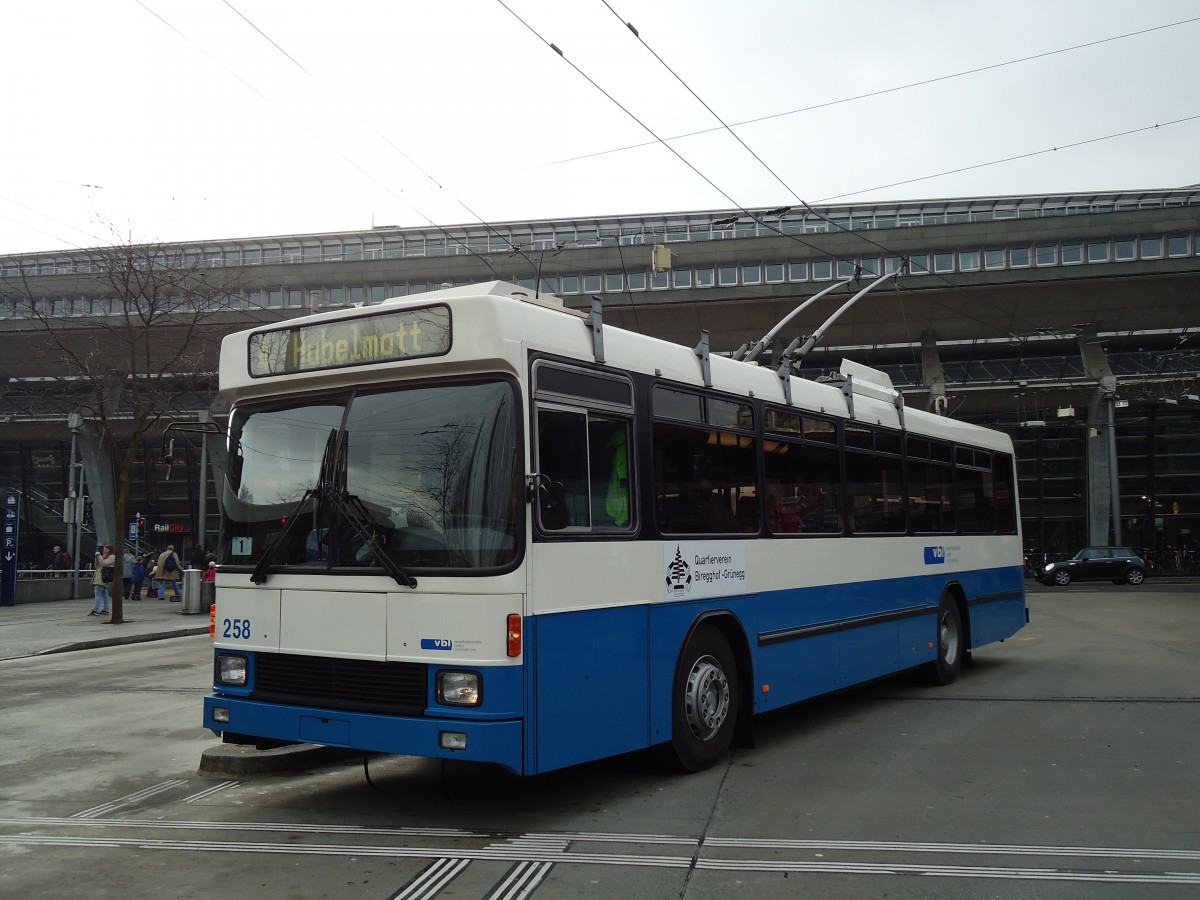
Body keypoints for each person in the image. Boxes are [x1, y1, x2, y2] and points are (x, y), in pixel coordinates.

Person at [90, 544, 116, 617]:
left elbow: (104, 564)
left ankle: (95, 609)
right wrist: (97, 557)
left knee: (97, 593)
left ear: (110, 550)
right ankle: (106, 609)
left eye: (106, 549)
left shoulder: (112, 557)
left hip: (103, 577)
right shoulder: (104, 557)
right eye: (104, 549)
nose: (105, 550)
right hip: (100, 577)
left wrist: (98, 556)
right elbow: (97, 565)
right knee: (104, 594)